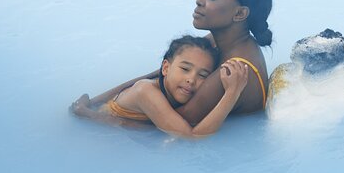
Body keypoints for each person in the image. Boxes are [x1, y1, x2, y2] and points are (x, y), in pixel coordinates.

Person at [72, 0, 273, 129]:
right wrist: (96, 102)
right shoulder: (218, 39)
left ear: (239, 14)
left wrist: (89, 115)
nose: (199, 1)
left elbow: (171, 128)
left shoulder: (234, 69)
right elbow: (157, 74)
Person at [71, 35, 249, 137]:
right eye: (185, 69)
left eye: (203, 75)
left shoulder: (170, 84)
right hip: (102, 135)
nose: (191, 80)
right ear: (165, 67)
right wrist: (232, 92)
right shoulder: (146, 91)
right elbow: (191, 138)